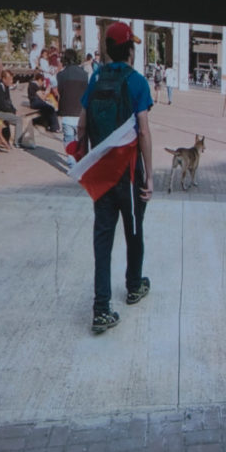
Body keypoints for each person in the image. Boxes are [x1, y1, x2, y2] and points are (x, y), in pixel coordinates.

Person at [78, 21, 155, 333]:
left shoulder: (94, 78)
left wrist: (86, 162)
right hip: (130, 173)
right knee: (134, 231)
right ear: (130, 49)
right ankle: (134, 286)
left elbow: (82, 127)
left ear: (108, 49)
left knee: (102, 239)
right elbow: (145, 131)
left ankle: (100, 309)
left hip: (103, 174)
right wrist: (150, 176)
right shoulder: (137, 82)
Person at [55, 47, 89, 144]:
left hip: (67, 114)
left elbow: (60, 92)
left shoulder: (61, 75)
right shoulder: (85, 74)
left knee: (69, 143)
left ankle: (71, 159)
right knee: (80, 144)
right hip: (81, 114)